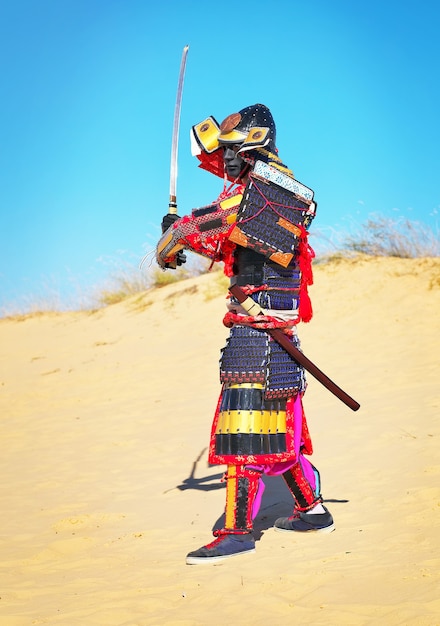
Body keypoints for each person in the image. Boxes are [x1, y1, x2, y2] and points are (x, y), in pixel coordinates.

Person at [156, 104, 334, 565]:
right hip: (265, 328)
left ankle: (237, 531)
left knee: (244, 428)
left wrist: (174, 235)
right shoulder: (261, 187)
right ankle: (311, 508)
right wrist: (178, 237)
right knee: (279, 426)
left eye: (235, 150)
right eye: (224, 152)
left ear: (256, 144)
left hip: (261, 329)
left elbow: (214, 222)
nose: (226, 160)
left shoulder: (275, 189)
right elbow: (220, 233)